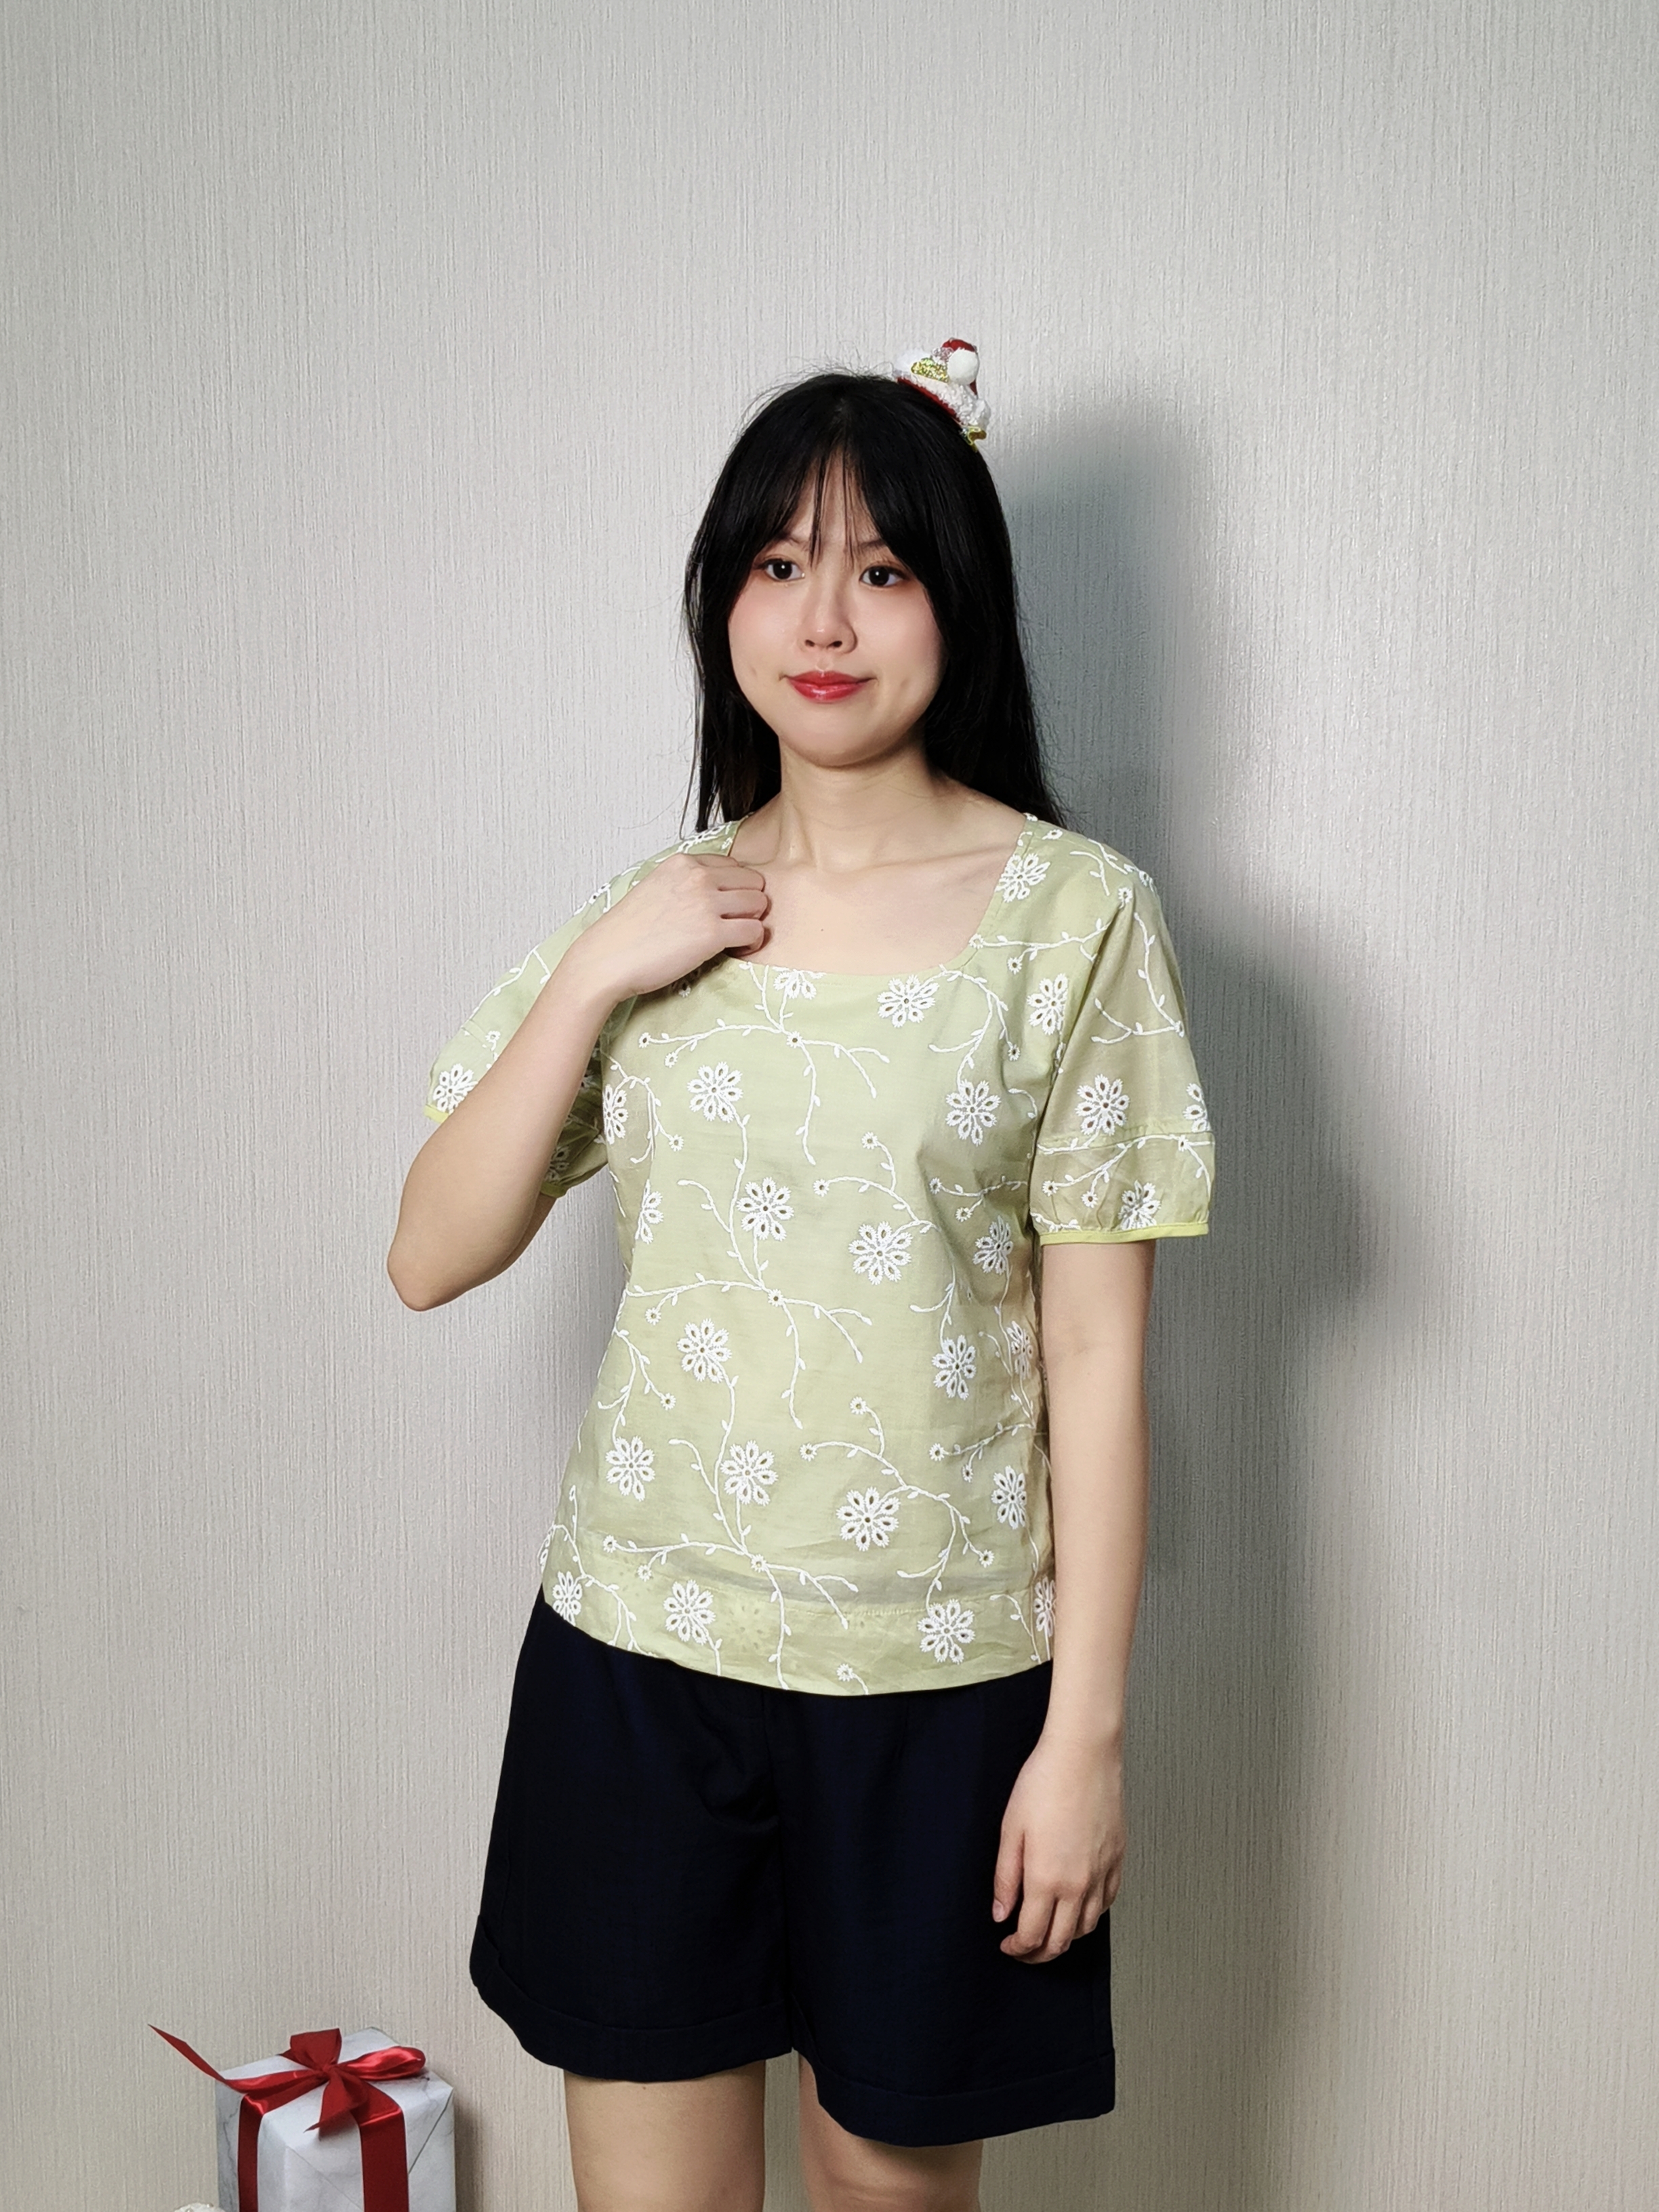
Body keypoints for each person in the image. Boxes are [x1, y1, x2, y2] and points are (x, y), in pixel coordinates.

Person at [387, 340, 1216, 2212]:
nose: (822, 620)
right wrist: (601, 970)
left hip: (940, 1686)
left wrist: (1082, 1740)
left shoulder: (1075, 918)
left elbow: (1098, 1362)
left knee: (888, 2187)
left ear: (956, 600)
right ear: (722, 606)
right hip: (637, 1664)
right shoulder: (658, 914)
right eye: (777, 565)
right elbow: (429, 1252)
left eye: (880, 568)